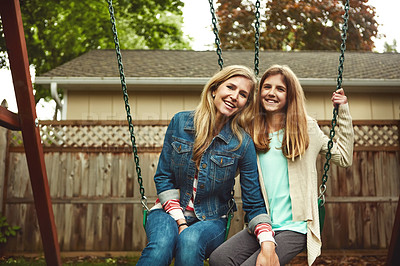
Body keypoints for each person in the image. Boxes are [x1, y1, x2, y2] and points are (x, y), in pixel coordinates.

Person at [209, 65, 354, 266]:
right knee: (220, 258)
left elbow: (344, 158)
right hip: (262, 224)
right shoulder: (251, 130)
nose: (271, 93)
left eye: (280, 89)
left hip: (296, 227)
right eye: (267, 87)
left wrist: (343, 111)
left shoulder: (307, 128)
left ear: (290, 95)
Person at [136, 65, 272, 266]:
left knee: (190, 240)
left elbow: (253, 200)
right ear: (215, 89)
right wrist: (180, 221)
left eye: (243, 94)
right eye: (230, 87)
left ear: (245, 104)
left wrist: (267, 241)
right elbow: (164, 177)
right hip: (168, 210)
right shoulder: (180, 122)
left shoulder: (242, 143)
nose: (235, 96)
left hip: (212, 219)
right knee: (161, 246)